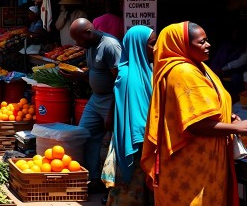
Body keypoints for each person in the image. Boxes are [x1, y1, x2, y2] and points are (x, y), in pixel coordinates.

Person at [140, 22, 246, 205]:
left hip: (201, 159)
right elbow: (195, 123)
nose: (208, 45)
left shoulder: (198, 67)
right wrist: (236, 127)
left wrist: (225, 115)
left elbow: (200, 106)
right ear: (182, 45)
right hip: (193, 163)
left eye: (207, 40)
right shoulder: (183, 72)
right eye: (201, 42)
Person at [101, 26, 156, 206]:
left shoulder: (147, 69)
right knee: (131, 192)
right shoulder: (127, 76)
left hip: (146, 139)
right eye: (152, 44)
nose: (156, 48)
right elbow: (134, 115)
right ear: (138, 46)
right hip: (137, 143)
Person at [68, 18, 122, 194]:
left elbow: (120, 81)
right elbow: (95, 72)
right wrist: (76, 76)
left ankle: (113, 185)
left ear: (89, 33)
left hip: (110, 100)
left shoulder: (110, 46)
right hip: (95, 99)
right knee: (84, 135)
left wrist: (112, 111)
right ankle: (92, 178)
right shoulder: (89, 46)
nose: (77, 43)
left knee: (114, 142)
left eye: (78, 39)